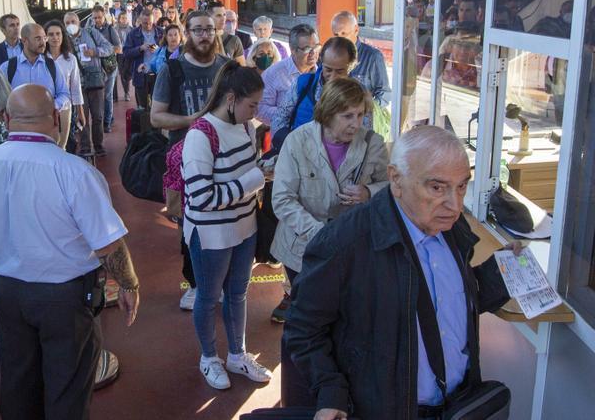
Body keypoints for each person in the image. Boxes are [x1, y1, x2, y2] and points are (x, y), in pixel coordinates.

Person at [283, 125, 514, 420]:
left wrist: (504, 272)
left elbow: (446, 303)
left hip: (457, 404)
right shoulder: (344, 243)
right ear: (396, 179)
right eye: (436, 187)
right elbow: (303, 328)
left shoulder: (453, 227)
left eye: (461, 186)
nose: (455, 205)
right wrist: (330, 392)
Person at [0, 84, 140, 420]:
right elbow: (107, 244)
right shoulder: (76, 172)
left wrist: (8, 259)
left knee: (17, 378)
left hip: (5, 290)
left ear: (8, 118)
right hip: (64, 299)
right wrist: (129, 284)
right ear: (55, 118)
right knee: (67, 386)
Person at [268, 78, 388, 323]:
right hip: (301, 249)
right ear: (328, 112)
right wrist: (321, 235)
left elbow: (392, 188)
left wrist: (369, 191)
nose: (356, 124)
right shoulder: (297, 141)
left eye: (360, 115)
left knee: (346, 319)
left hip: (353, 250)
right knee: (307, 318)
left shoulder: (373, 143)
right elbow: (282, 200)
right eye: (347, 116)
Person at [182, 62, 271, 390]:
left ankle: (237, 354)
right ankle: (209, 357)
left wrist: (260, 171)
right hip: (210, 234)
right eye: (253, 105)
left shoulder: (246, 127)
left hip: (244, 228)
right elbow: (202, 197)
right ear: (231, 99)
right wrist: (254, 180)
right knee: (207, 297)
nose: (256, 112)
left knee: (238, 293)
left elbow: (246, 170)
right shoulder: (200, 135)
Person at [151, 10, 230, 310]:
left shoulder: (226, 67)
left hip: (223, 156)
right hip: (186, 157)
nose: (204, 35)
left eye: (209, 29)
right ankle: (195, 283)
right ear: (186, 33)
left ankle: (219, 280)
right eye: (197, 30)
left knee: (221, 218)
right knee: (191, 221)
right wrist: (191, 120)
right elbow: (157, 116)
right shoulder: (172, 70)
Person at [272, 36, 357, 139]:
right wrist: (288, 144)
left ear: (351, 67)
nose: (333, 76)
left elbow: (362, 136)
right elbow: (279, 118)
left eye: (340, 71)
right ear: (322, 61)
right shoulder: (303, 83)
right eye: (328, 69)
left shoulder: (358, 96)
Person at [0, 23, 72, 142]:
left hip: (47, 131)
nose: (43, 42)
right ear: (25, 41)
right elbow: (0, 98)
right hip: (18, 133)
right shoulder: (7, 68)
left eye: (44, 38)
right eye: (38, 38)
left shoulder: (52, 66)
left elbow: (64, 94)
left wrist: (51, 106)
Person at [64, 11, 113, 157]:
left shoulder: (91, 33)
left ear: (79, 22)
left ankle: (98, 144)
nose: (70, 25)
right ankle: (85, 145)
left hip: (95, 80)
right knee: (82, 115)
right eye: (67, 23)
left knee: (97, 115)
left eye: (73, 21)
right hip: (76, 83)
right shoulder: (63, 39)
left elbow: (109, 48)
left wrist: (95, 52)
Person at [257, 24, 320, 126]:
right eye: (307, 49)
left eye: (316, 47)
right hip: (287, 137)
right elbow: (260, 109)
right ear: (292, 50)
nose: (313, 53)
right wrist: (292, 115)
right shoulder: (274, 73)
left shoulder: (322, 74)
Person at [331, 11, 390, 106]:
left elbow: (384, 94)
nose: (340, 39)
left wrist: (364, 111)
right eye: (336, 35)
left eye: (344, 34)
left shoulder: (373, 56)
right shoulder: (330, 55)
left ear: (356, 30)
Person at [44, 20, 85, 149]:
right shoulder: (41, 58)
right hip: (44, 108)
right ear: (45, 37)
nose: (55, 37)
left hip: (64, 108)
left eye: (58, 34)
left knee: (62, 145)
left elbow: (75, 87)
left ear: (63, 36)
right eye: (51, 34)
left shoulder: (70, 59)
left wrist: (80, 112)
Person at [90, 6, 123, 133]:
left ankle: (107, 122)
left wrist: (100, 51)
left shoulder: (111, 30)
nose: (97, 20)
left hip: (109, 67)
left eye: (99, 17)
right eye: (95, 18)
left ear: (104, 16)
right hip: (96, 68)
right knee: (98, 96)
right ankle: (108, 116)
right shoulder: (90, 30)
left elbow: (119, 48)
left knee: (107, 95)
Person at [122, 10, 164, 107]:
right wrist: (140, 48)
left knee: (158, 106)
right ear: (140, 21)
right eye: (145, 23)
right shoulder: (133, 34)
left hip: (158, 74)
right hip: (141, 74)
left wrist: (158, 49)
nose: (148, 25)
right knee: (142, 106)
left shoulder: (161, 32)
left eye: (150, 23)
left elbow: (168, 51)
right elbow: (126, 52)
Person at [114, 11, 134, 101]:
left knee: (128, 74)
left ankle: (127, 90)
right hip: (120, 54)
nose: (124, 20)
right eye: (122, 18)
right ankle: (127, 92)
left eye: (126, 18)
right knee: (122, 73)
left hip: (129, 53)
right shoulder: (115, 29)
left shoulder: (131, 29)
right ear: (119, 19)